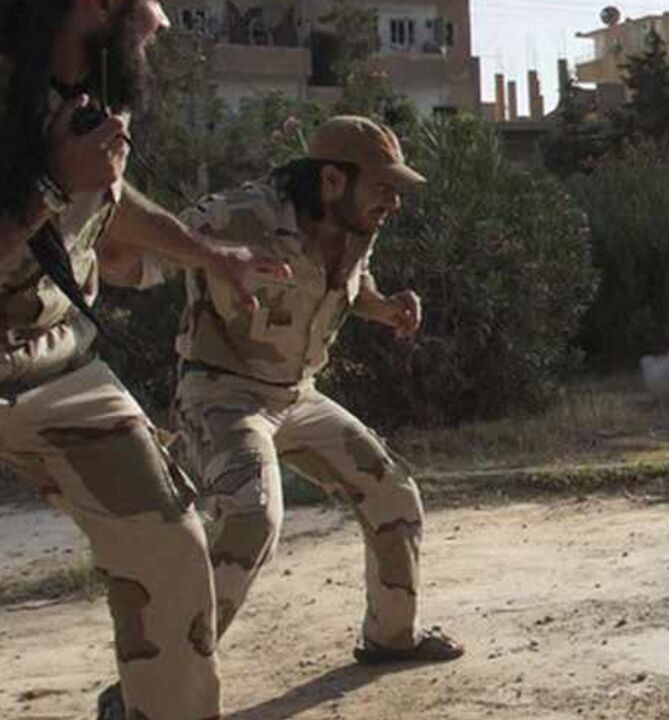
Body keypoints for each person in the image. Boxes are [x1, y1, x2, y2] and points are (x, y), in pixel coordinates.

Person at [0, 1, 284, 718]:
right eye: (147, 6)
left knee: (170, 549)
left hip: (55, 366)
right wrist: (51, 183)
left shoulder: (98, 93)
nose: (161, 22)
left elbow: (109, 202)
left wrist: (211, 256)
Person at [167, 116, 464, 666]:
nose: (392, 203)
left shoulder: (355, 226)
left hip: (296, 396)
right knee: (251, 518)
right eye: (382, 188)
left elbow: (354, 284)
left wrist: (386, 307)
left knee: (393, 495)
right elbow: (150, 245)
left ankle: (391, 638)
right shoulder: (239, 216)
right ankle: (159, 678)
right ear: (332, 180)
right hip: (222, 396)